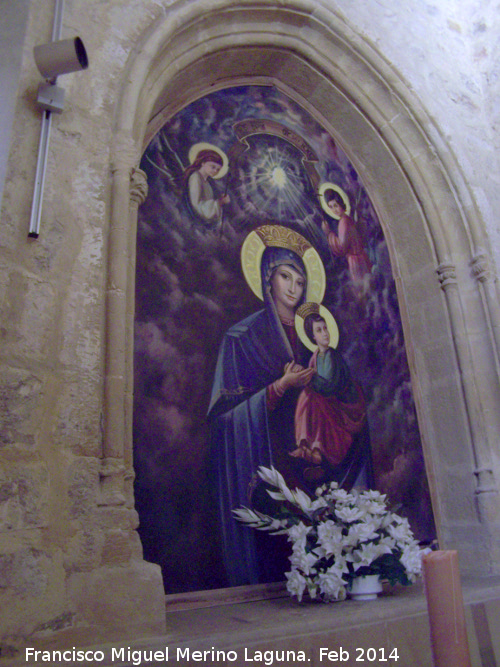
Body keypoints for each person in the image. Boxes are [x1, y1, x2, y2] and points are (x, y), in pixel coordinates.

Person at [207, 225, 324, 586]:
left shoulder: (316, 339)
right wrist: (278, 387)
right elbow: (221, 420)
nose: (292, 288)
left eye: (300, 281)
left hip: (311, 465)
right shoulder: (240, 338)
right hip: (265, 461)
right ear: (266, 280)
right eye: (284, 276)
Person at [292, 304, 369, 480]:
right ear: (312, 336)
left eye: (325, 328)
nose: (325, 333)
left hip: (344, 407)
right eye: (319, 330)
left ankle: (317, 448)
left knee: (310, 397)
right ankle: (305, 445)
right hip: (328, 402)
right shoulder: (315, 357)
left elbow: (331, 388)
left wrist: (308, 375)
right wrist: (302, 374)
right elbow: (315, 385)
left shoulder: (334, 357)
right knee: (305, 397)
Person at [321, 189, 371, 283]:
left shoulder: (343, 221)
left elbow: (341, 247)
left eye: (335, 205)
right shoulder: (346, 219)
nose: (334, 210)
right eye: (331, 207)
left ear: (341, 204)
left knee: (362, 286)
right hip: (359, 258)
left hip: (356, 261)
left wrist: (328, 233)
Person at [182, 148, 230, 230]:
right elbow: (196, 205)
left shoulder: (207, 183)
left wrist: (219, 202)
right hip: (195, 223)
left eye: (218, 169)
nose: (215, 171)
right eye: (213, 167)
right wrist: (219, 202)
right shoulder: (195, 177)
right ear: (203, 163)